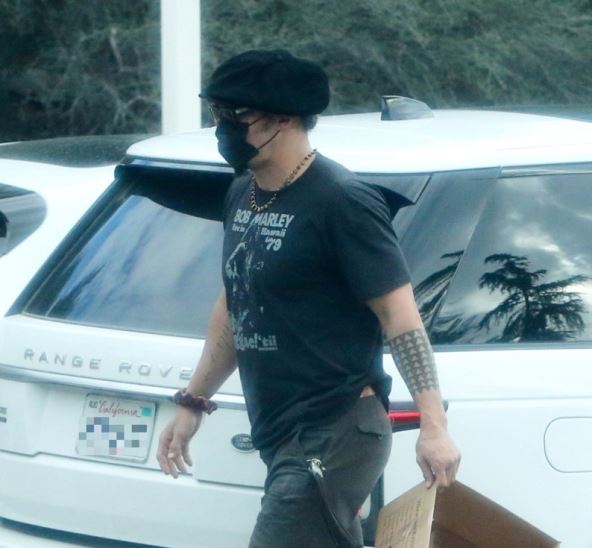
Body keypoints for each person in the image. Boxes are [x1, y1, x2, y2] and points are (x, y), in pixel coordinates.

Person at [157, 49, 461, 548]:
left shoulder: (343, 201)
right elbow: (237, 303)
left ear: (284, 118)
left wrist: (434, 426)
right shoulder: (243, 193)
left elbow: (400, 317)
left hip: (336, 429)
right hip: (278, 431)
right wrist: (194, 399)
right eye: (217, 113)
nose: (222, 127)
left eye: (236, 115)